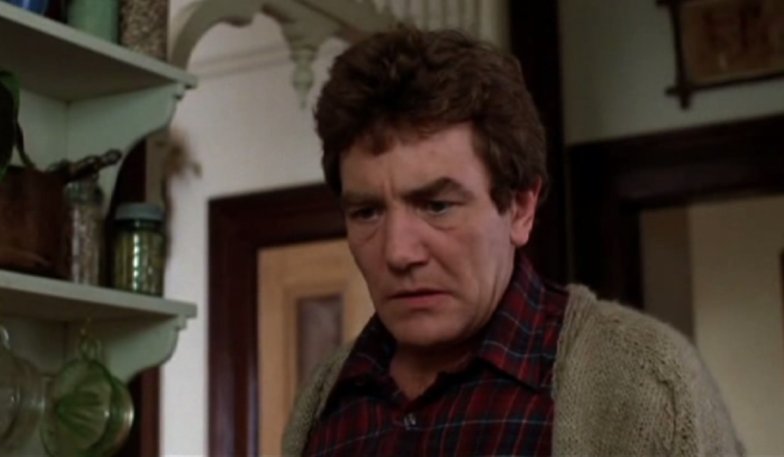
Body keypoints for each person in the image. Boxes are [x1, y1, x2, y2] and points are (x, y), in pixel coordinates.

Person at [282, 27, 743, 456]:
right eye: (367, 212)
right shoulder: (325, 398)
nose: (398, 252)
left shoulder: (648, 381)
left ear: (520, 209)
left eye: (437, 206)